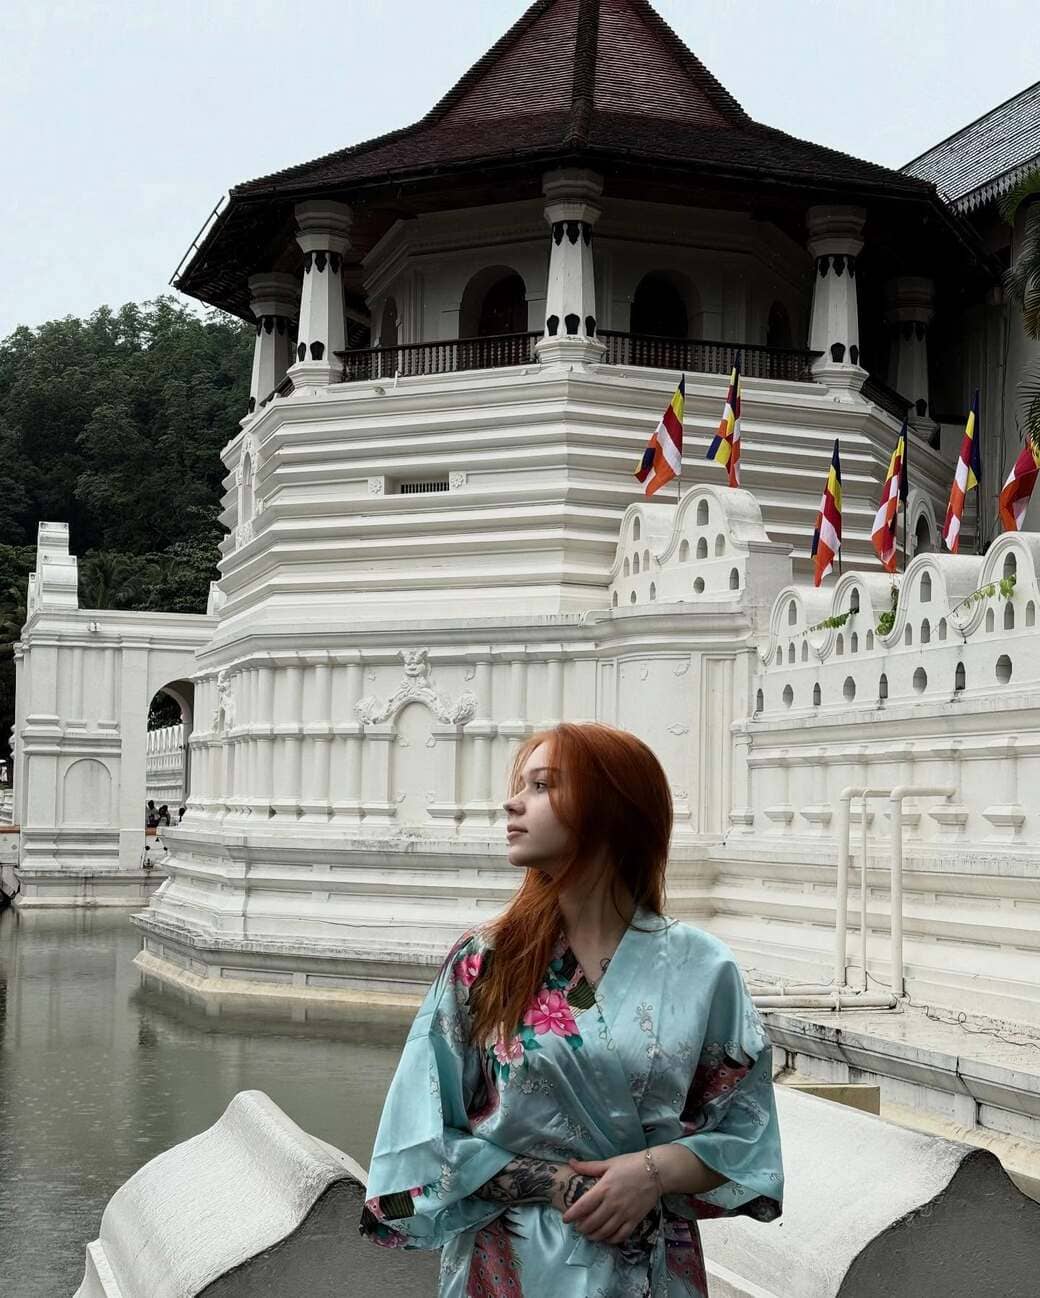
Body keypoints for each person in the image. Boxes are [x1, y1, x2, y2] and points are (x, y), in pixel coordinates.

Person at [360, 723, 783, 1296]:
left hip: (648, 1269)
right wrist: (553, 1182)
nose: (513, 803)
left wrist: (652, 1173)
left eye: (541, 786)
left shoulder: (704, 969)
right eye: (521, 785)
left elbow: (748, 1139)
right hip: (510, 1265)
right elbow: (419, 1139)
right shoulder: (485, 962)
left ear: (611, 808)